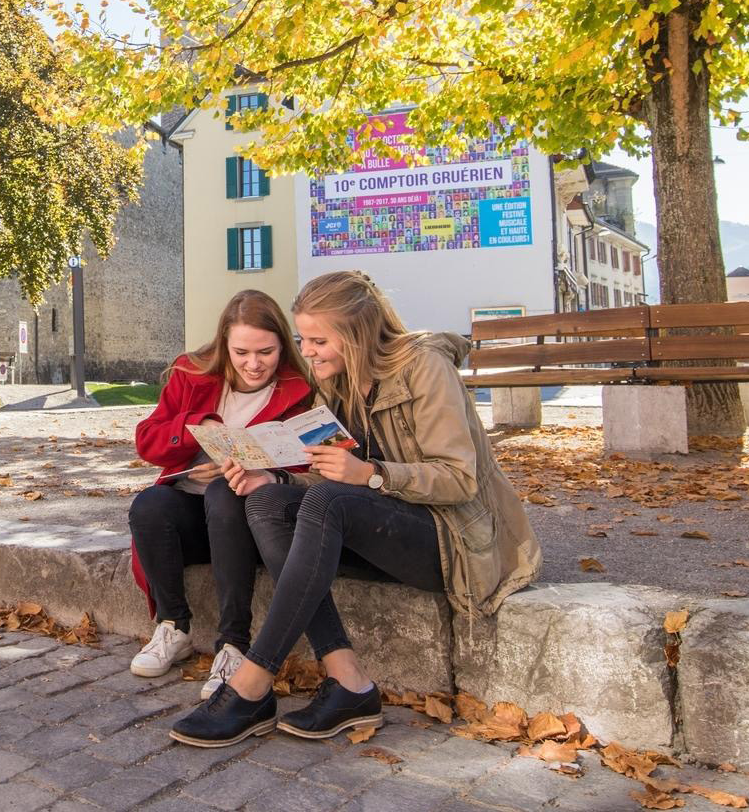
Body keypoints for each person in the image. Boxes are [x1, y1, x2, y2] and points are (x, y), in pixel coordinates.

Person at [170, 270, 541, 747]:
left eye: (319, 340)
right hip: (380, 528)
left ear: (356, 335)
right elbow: (330, 472)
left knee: (328, 500)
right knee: (267, 501)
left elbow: (459, 477)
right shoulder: (335, 383)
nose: (307, 352)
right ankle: (349, 682)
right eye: (303, 339)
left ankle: (253, 681)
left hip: (453, 541)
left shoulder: (425, 367)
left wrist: (370, 474)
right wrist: (274, 477)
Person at [129, 289, 314, 698]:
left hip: (248, 521)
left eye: (265, 352)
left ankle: (234, 644)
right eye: (241, 352)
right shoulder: (191, 373)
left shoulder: (299, 390)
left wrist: (264, 468)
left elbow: (309, 464)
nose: (253, 364)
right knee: (148, 505)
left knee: (224, 494)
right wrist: (198, 425)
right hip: (191, 516)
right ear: (224, 344)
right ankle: (172, 627)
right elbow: (147, 441)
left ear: (282, 345)